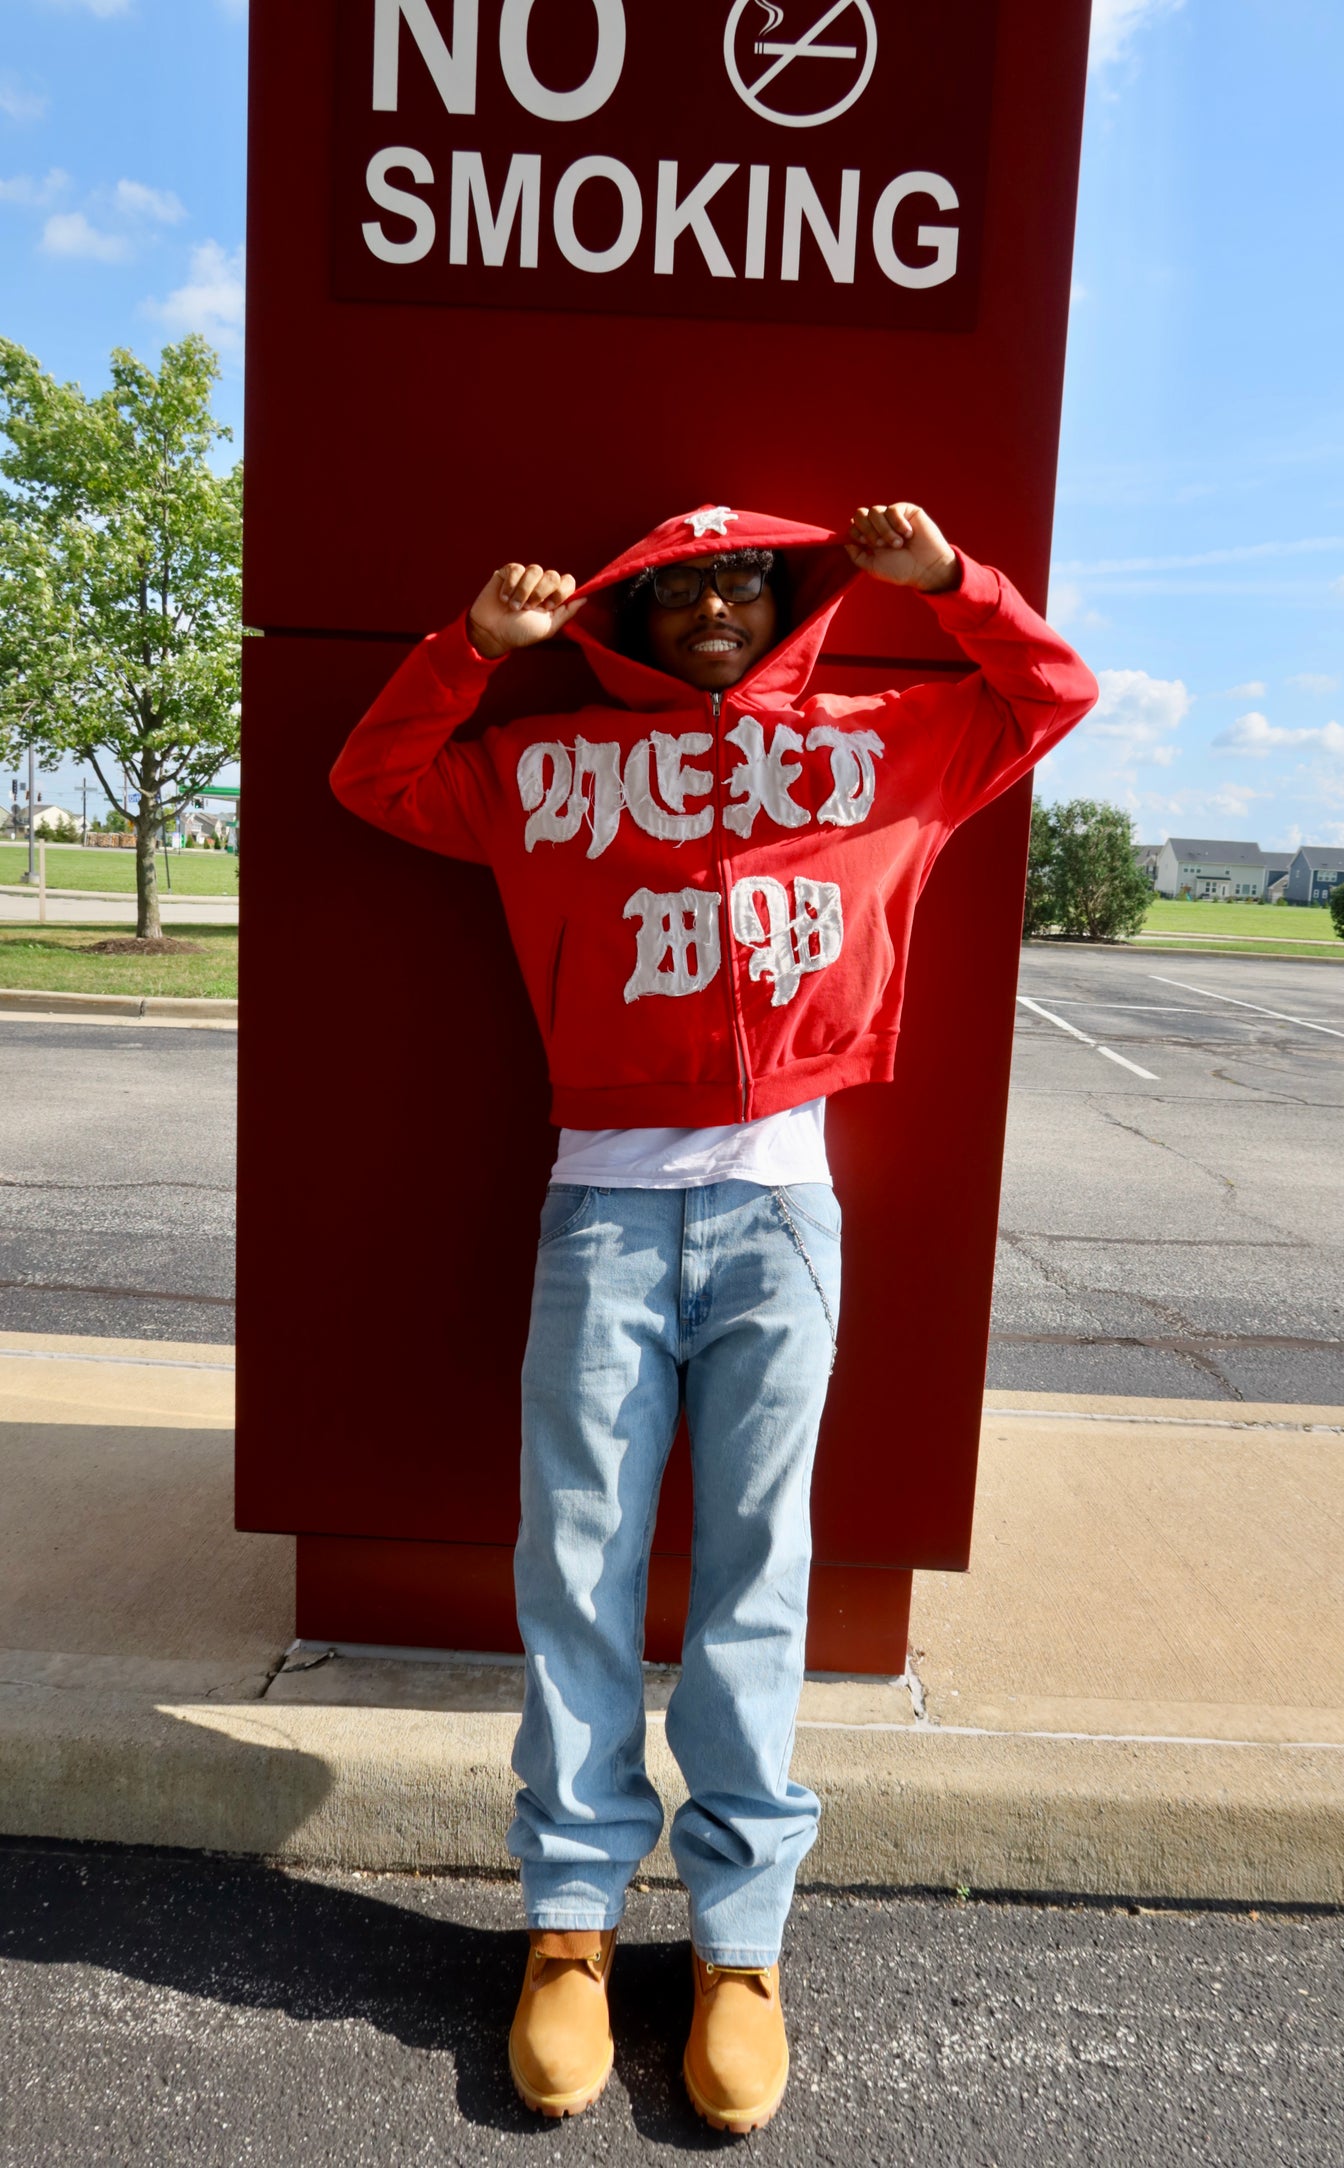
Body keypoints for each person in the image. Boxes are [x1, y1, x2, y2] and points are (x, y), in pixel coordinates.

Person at [331, 500, 1097, 2132]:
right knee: (576, 1563)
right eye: (678, 589)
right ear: (635, 613)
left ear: (784, 595)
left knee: (758, 1573)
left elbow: (1051, 696)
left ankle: (739, 1940)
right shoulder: (550, 764)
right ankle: (570, 1921)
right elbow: (374, 778)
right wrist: (473, 649)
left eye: (741, 580)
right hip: (601, 1212)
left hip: (779, 1220)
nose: (712, 609)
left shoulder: (880, 744)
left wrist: (950, 586)